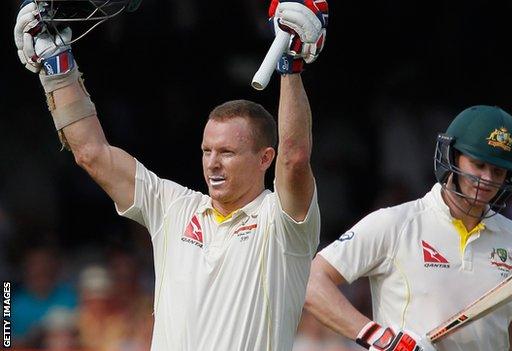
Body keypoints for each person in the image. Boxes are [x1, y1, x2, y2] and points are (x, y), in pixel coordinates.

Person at [14, 0, 327, 349]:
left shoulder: (282, 222)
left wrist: (291, 66)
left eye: (227, 153)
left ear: (264, 158)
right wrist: (56, 71)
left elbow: (295, 158)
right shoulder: (173, 207)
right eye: (207, 151)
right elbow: (91, 153)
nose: (212, 163)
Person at [304, 106, 512, 351]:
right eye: (478, 165)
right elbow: (312, 282)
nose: (487, 179)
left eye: (498, 171)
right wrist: (379, 337)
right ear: (452, 156)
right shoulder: (396, 223)